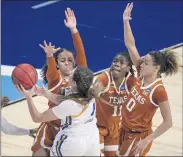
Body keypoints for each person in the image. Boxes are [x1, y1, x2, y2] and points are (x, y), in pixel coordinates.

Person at [117, 3, 179, 156]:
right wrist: (126, 22)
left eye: (146, 63)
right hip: (123, 129)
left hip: (137, 137)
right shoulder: (140, 72)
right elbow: (130, 45)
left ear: (156, 68)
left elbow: (168, 122)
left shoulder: (159, 91)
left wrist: (147, 140)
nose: (141, 64)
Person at [31, 8, 87, 156]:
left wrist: (74, 30)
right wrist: (50, 56)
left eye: (70, 60)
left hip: (71, 130)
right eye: (62, 60)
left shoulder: (80, 77)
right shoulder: (55, 79)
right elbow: (51, 69)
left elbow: (81, 53)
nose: (67, 63)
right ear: (57, 65)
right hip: (51, 126)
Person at [16, 66, 100, 156]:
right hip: (93, 140)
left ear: (74, 83)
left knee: (40, 153)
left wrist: (28, 97)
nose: (70, 72)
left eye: (72, 73)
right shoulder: (90, 93)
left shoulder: (70, 104)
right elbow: (62, 99)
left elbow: (37, 118)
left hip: (73, 144)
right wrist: (44, 93)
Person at [89, 51, 135, 156]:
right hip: (97, 127)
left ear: (128, 68)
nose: (116, 64)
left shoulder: (131, 81)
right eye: (115, 61)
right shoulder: (104, 77)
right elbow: (96, 88)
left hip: (115, 129)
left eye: (121, 62)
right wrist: (94, 91)